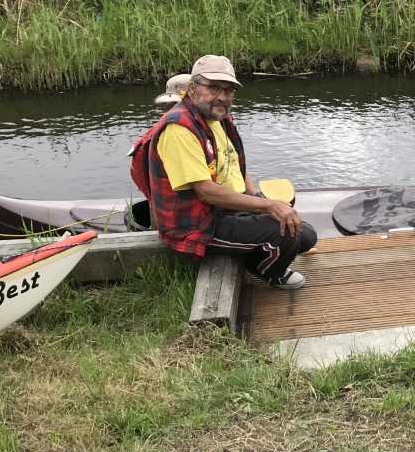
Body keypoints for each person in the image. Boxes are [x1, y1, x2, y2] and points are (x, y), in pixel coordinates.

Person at [130, 54, 317, 289]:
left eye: (228, 90)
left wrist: (257, 197)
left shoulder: (217, 118)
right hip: (196, 223)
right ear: (193, 88)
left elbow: (235, 166)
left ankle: (248, 250)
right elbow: (206, 192)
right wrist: (269, 206)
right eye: (214, 87)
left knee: (306, 234)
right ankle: (268, 271)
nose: (222, 96)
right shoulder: (179, 129)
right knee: (287, 235)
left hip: (224, 209)